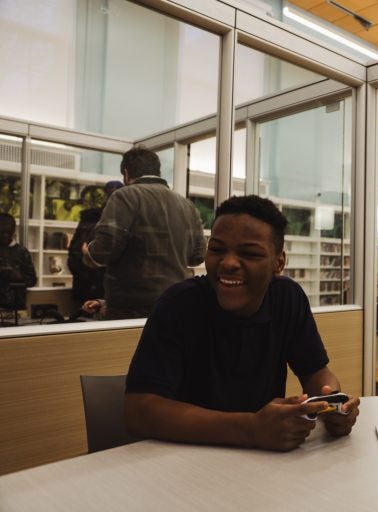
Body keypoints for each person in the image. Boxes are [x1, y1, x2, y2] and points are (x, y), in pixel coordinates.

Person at [124, 195, 360, 451]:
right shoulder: (178, 304)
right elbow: (139, 411)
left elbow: (316, 372)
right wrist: (250, 428)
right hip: (182, 460)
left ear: (278, 263)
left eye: (249, 253)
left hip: (261, 463)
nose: (228, 263)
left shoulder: (287, 298)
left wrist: (332, 402)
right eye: (216, 249)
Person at [83, 147, 206, 319]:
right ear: (157, 171)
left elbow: (104, 251)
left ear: (126, 174)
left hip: (130, 307)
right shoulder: (186, 205)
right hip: (176, 302)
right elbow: (198, 256)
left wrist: (89, 253)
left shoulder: (125, 196)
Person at [67, 181, 123, 313]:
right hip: (88, 284)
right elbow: (76, 252)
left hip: (111, 287)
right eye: (109, 195)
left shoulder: (126, 219)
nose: (111, 199)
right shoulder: (90, 217)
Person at [0, 213, 37, 315]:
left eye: (8, 232)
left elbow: (32, 280)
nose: (5, 235)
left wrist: (19, 276)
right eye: (2, 232)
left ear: (13, 232)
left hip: (17, 307)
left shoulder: (22, 252)